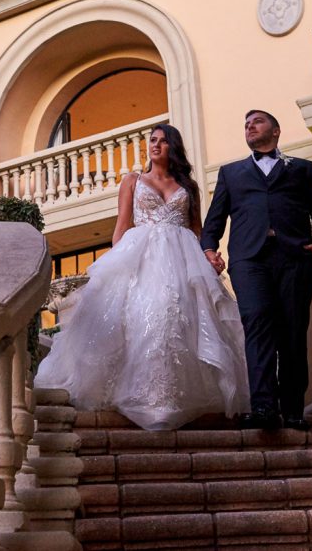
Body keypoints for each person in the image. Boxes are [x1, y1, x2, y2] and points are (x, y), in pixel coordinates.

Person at [35, 123, 250, 431]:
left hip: (182, 256)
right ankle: (147, 396)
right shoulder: (133, 181)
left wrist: (209, 256)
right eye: (152, 140)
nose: (156, 145)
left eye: (163, 141)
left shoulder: (188, 187)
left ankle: (174, 396)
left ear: (172, 147)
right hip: (142, 254)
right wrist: (116, 265)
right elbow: (122, 225)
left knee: (180, 318)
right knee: (145, 317)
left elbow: (198, 231)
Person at [201, 110, 312, 431]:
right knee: (258, 324)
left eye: (257, 121)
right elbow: (215, 220)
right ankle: (263, 407)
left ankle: (292, 410)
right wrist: (209, 249)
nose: (249, 126)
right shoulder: (231, 173)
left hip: (294, 258)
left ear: (275, 131)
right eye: (246, 123)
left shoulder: (302, 169)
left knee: (292, 331)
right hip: (249, 261)